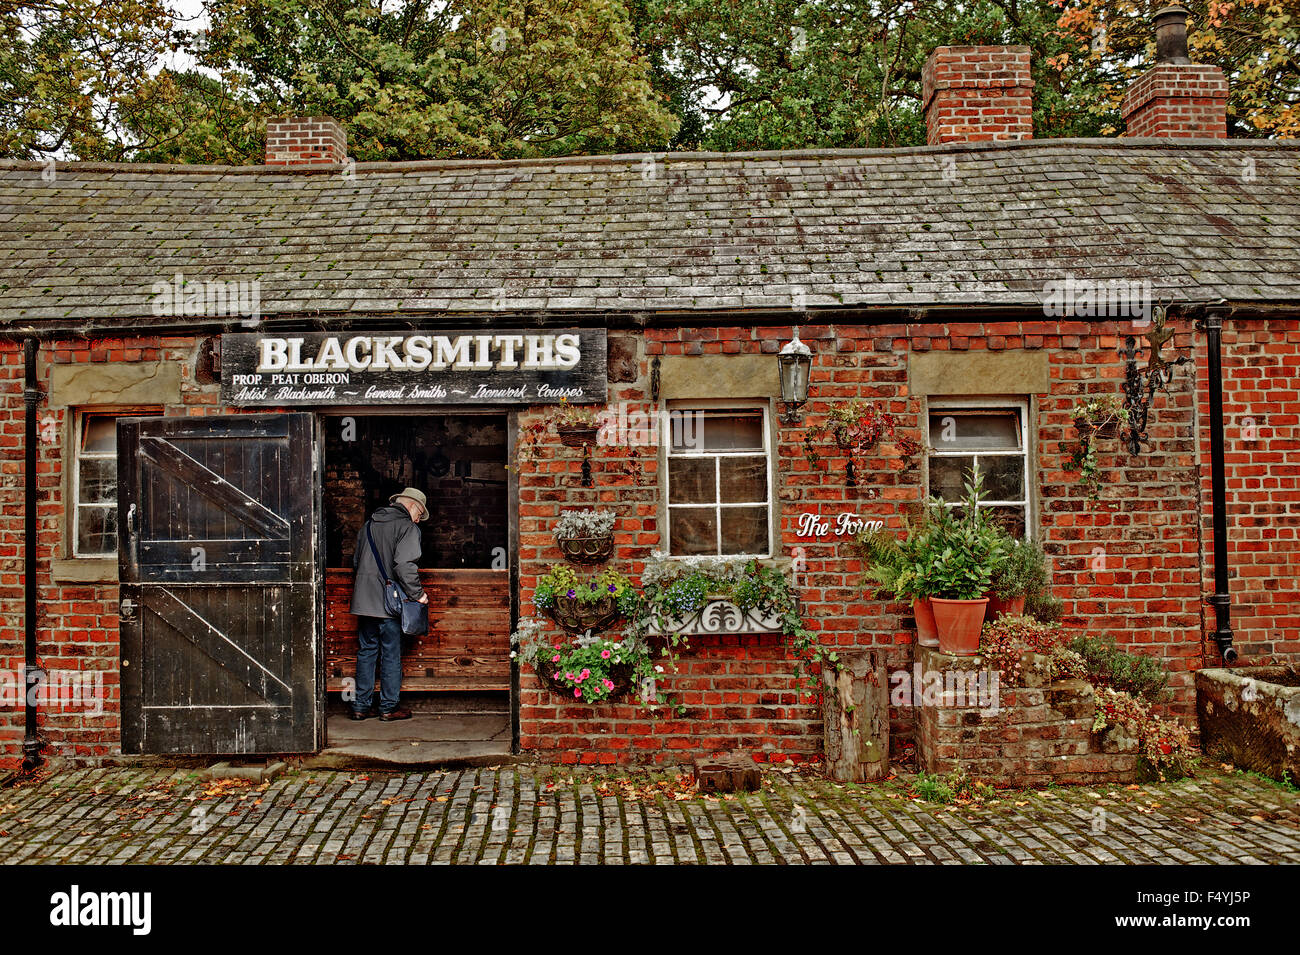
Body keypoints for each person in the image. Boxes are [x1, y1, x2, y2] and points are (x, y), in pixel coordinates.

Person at [349, 487, 430, 721]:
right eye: (419, 515)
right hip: (389, 604)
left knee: (366, 652)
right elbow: (404, 566)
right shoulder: (408, 527)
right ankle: (388, 707)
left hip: (364, 602)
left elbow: (356, 562)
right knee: (391, 654)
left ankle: (360, 707)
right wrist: (418, 595)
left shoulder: (368, 525)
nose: (418, 521)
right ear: (414, 507)